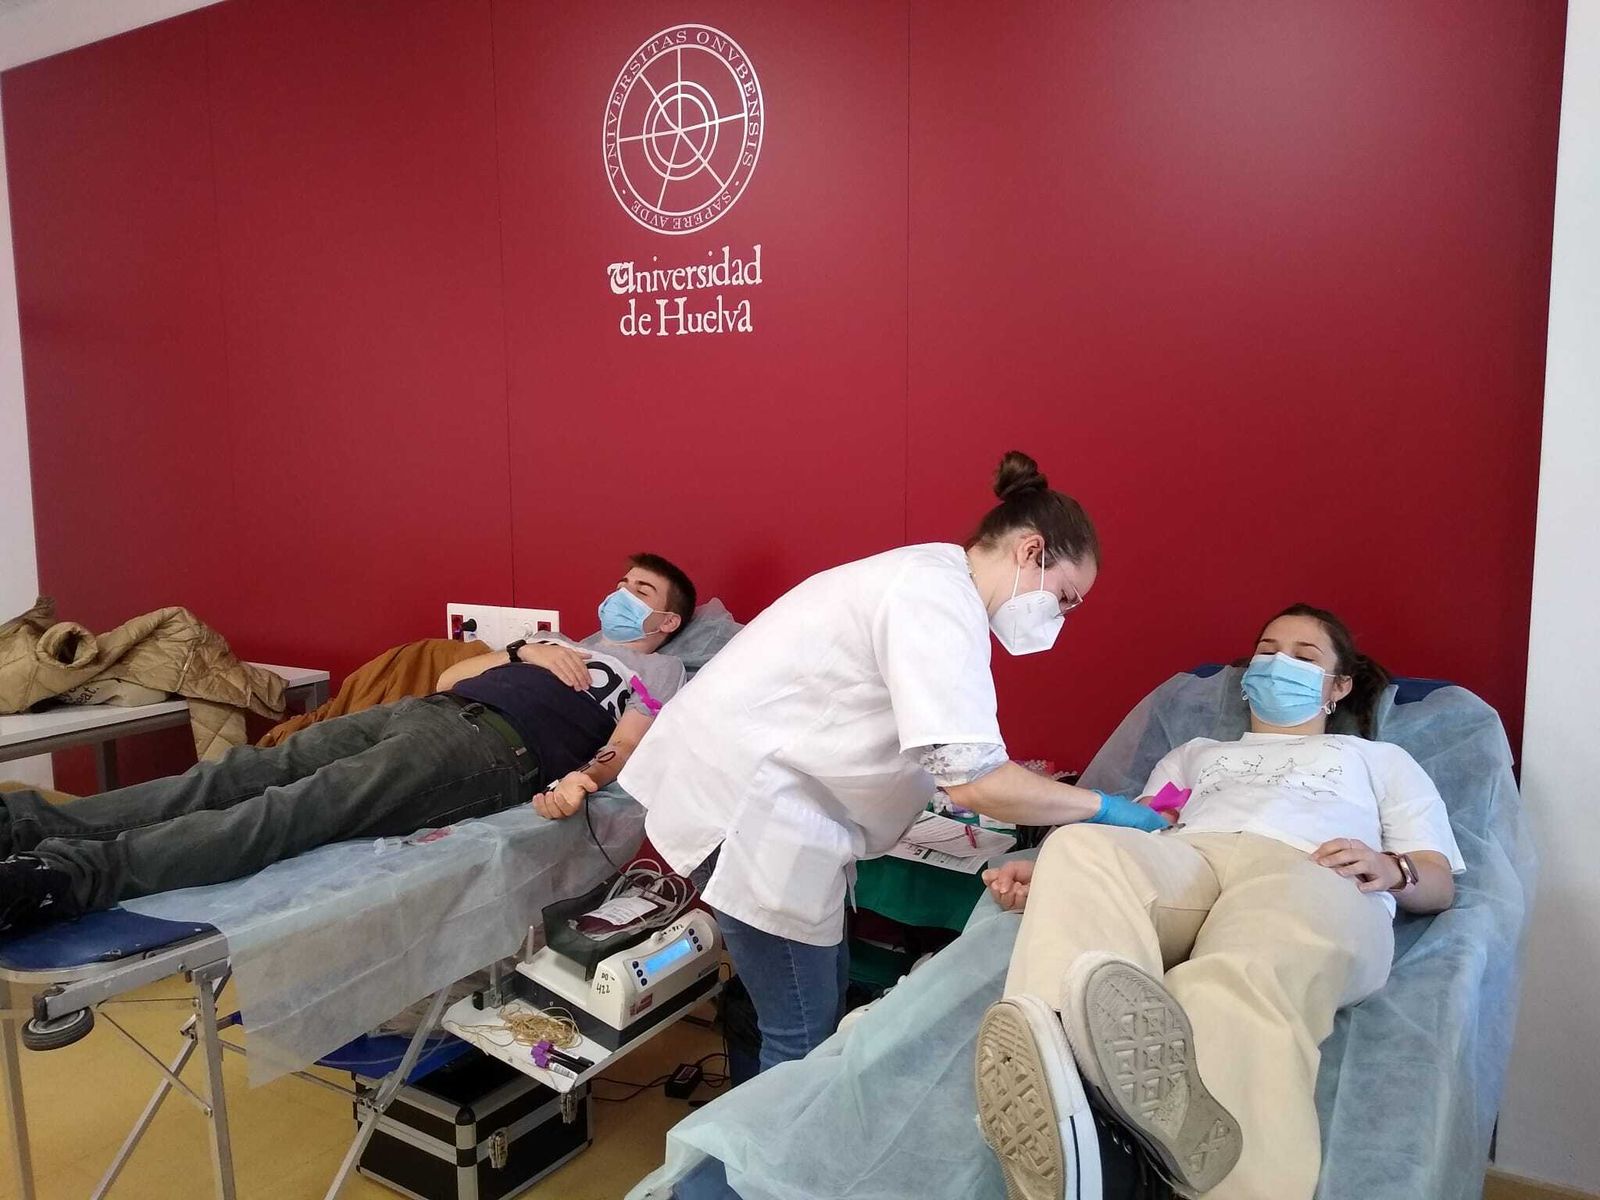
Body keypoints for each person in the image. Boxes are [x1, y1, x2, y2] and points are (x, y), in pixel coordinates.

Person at [595, 452, 1168, 1080]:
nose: (1060, 618)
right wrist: (1109, 808)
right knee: (803, 1042)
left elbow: (919, 741)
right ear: (1030, 552)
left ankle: (758, 1163)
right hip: (757, 816)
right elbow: (975, 778)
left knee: (819, 1009)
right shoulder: (934, 597)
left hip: (774, 806)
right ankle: (744, 1176)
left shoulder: (931, 579)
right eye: (1065, 598)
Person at [974, 604, 1463, 1200]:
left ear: (1339, 686)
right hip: (1192, 858)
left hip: (1310, 871)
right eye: (1268, 649)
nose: (1279, 662)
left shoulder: (1378, 760)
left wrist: (1396, 868)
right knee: (1079, 847)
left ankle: (1224, 1179)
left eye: (1304, 656)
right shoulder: (1198, 753)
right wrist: (1053, 873)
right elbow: (1143, 829)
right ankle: (1065, 1100)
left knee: (1228, 986)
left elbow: (1440, 881)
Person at [0, 553, 697, 933]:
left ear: (666, 620)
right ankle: (25, 822)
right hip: (428, 711)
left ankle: (62, 879)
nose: (620, 595)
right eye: (619, 582)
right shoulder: (557, 644)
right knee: (236, 773)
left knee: (291, 810)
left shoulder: (656, 672)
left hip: (489, 752)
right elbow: (455, 672)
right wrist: (525, 651)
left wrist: (583, 780)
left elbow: (632, 740)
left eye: (640, 590)